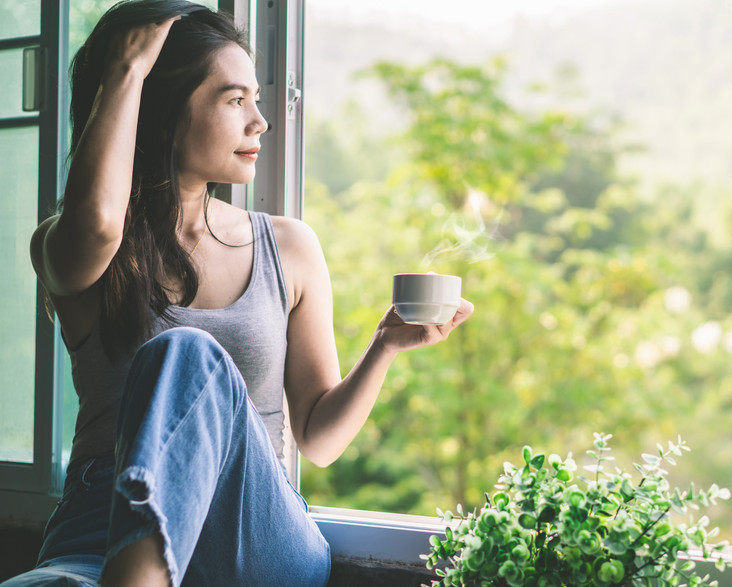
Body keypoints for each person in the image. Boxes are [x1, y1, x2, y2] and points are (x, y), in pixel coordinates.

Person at [2, 1, 473, 586]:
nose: (260, 122)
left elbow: (318, 441)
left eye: (257, 98)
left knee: (183, 353)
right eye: (235, 100)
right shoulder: (71, 244)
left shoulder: (288, 247)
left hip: (250, 531)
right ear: (162, 110)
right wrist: (126, 72)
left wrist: (383, 347)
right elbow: (99, 222)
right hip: (97, 533)